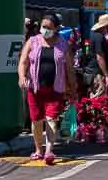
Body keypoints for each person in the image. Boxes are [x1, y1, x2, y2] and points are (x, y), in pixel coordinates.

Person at [18, 13, 76, 165]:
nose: (45, 30)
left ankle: (49, 150)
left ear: (56, 29)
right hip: (35, 88)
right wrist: (22, 76)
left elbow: (69, 68)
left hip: (55, 89)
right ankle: (38, 150)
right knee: (36, 120)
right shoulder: (33, 41)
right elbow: (23, 61)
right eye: (43, 27)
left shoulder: (62, 44)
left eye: (49, 28)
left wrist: (72, 88)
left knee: (51, 119)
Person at [85, 13, 108, 97]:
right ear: (107, 26)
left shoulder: (96, 36)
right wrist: (106, 75)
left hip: (96, 73)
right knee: (98, 98)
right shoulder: (99, 37)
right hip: (97, 74)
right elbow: (99, 57)